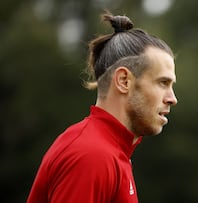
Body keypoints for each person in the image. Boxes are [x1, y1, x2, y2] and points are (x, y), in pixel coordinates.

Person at [27, 11, 178, 203]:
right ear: (124, 81)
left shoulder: (111, 152)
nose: (172, 98)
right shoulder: (92, 155)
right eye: (162, 83)